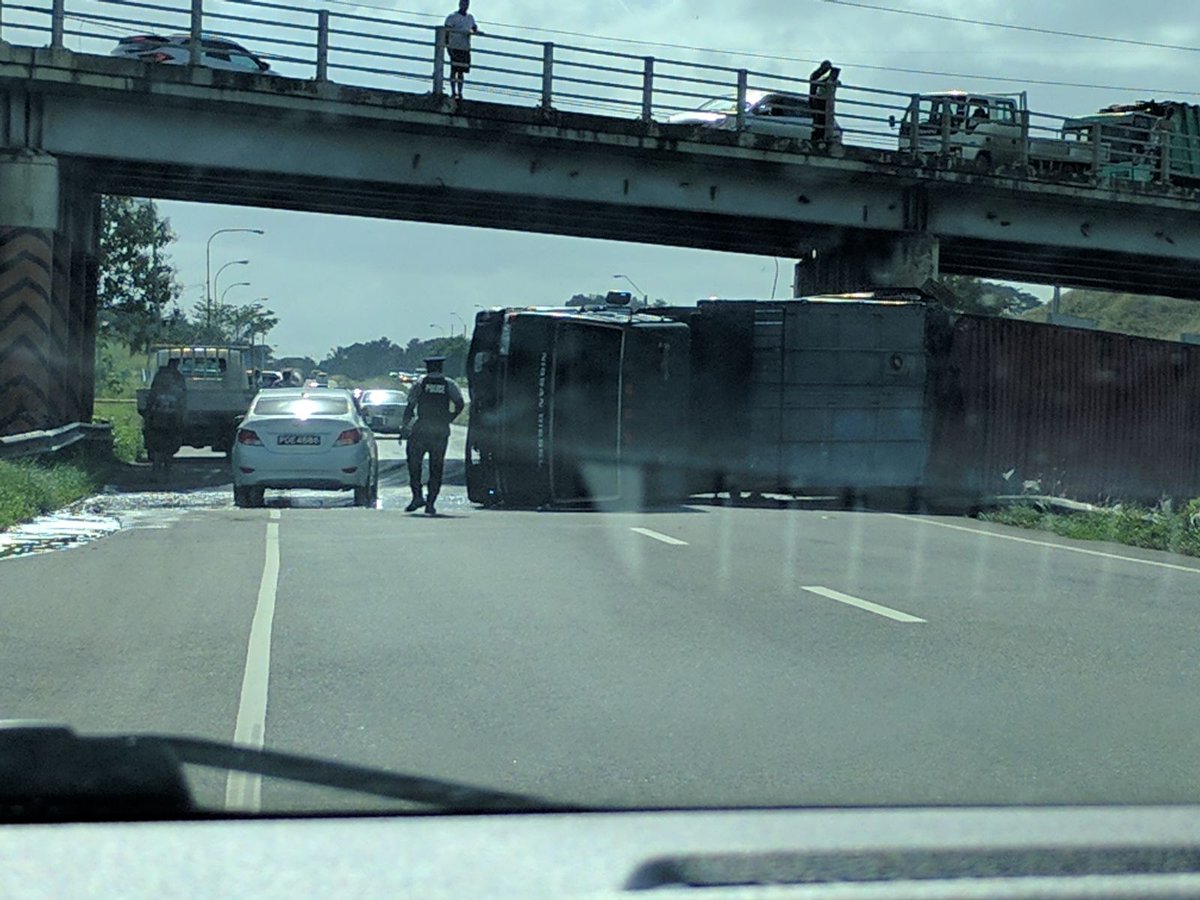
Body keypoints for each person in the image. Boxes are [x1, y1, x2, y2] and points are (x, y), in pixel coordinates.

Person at [402, 356, 465, 515]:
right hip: (440, 430)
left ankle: (417, 497)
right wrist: (449, 418)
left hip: (421, 429)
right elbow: (460, 403)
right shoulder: (449, 384)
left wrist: (405, 427)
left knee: (414, 464)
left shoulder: (420, 383)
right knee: (436, 467)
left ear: (428, 368)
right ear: (441, 368)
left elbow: (410, 405)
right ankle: (430, 503)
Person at [444, 0, 480, 101]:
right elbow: (446, 32)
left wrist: (476, 31)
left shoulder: (470, 18)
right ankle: (453, 92)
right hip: (455, 47)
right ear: (460, 4)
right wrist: (447, 46)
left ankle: (460, 92)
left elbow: (474, 28)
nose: (465, 6)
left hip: (465, 48)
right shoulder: (452, 17)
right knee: (454, 70)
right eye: (464, 4)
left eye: (467, 4)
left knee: (461, 72)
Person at [808, 59, 840, 145]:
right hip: (817, 99)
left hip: (822, 100)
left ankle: (820, 137)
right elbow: (815, 81)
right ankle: (819, 137)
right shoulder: (817, 74)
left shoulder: (822, 75)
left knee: (821, 120)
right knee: (819, 119)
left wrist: (832, 78)